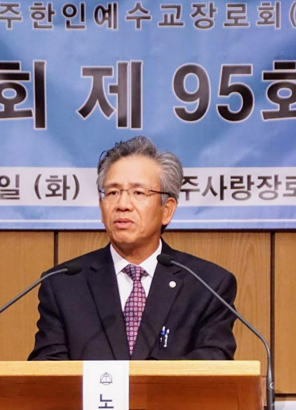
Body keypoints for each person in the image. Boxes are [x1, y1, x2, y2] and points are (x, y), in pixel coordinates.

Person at [29, 136, 237, 361]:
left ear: (167, 210)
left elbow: (214, 364)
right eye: (112, 192)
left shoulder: (207, 286)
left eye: (138, 193)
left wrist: (140, 381)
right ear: (101, 207)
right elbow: (47, 369)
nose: (122, 205)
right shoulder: (63, 285)